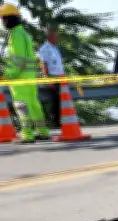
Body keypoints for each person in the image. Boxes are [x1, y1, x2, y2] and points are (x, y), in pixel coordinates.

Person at [0, 3, 49, 142]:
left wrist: (7, 74)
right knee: (33, 104)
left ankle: (27, 134)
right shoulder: (25, 34)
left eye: (3, 19)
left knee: (21, 105)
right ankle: (43, 131)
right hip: (30, 77)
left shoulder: (15, 35)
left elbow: (18, 60)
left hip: (19, 78)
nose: (2, 22)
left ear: (9, 19)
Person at [38, 26, 64, 128]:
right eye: (55, 35)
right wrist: (48, 79)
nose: (57, 37)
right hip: (52, 77)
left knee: (60, 100)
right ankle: (55, 122)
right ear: (50, 36)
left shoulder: (55, 48)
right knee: (55, 100)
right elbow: (43, 64)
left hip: (60, 77)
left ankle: (58, 120)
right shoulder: (45, 49)